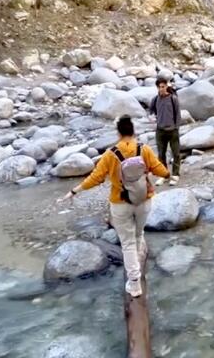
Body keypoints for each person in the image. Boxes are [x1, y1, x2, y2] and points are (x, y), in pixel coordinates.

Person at [58, 115, 169, 297]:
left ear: (118, 133)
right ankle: (138, 264)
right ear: (133, 131)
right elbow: (162, 171)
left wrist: (74, 191)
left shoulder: (111, 154)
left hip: (120, 203)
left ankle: (134, 284)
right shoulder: (144, 149)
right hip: (143, 200)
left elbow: (96, 177)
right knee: (138, 234)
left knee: (127, 243)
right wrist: (164, 173)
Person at [149, 77, 182, 186]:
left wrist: (176, 127)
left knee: (176, 152)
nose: (161, 89)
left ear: (167, 86)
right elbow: (151, 111)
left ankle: (175, 174)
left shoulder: (173, 99)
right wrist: (154, 119)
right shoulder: (155, 99)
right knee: (161, 154)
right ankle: (164, 175)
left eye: (163, 86)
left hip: (172, 130)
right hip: (160, 130)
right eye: (159, 87)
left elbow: (178, 114)